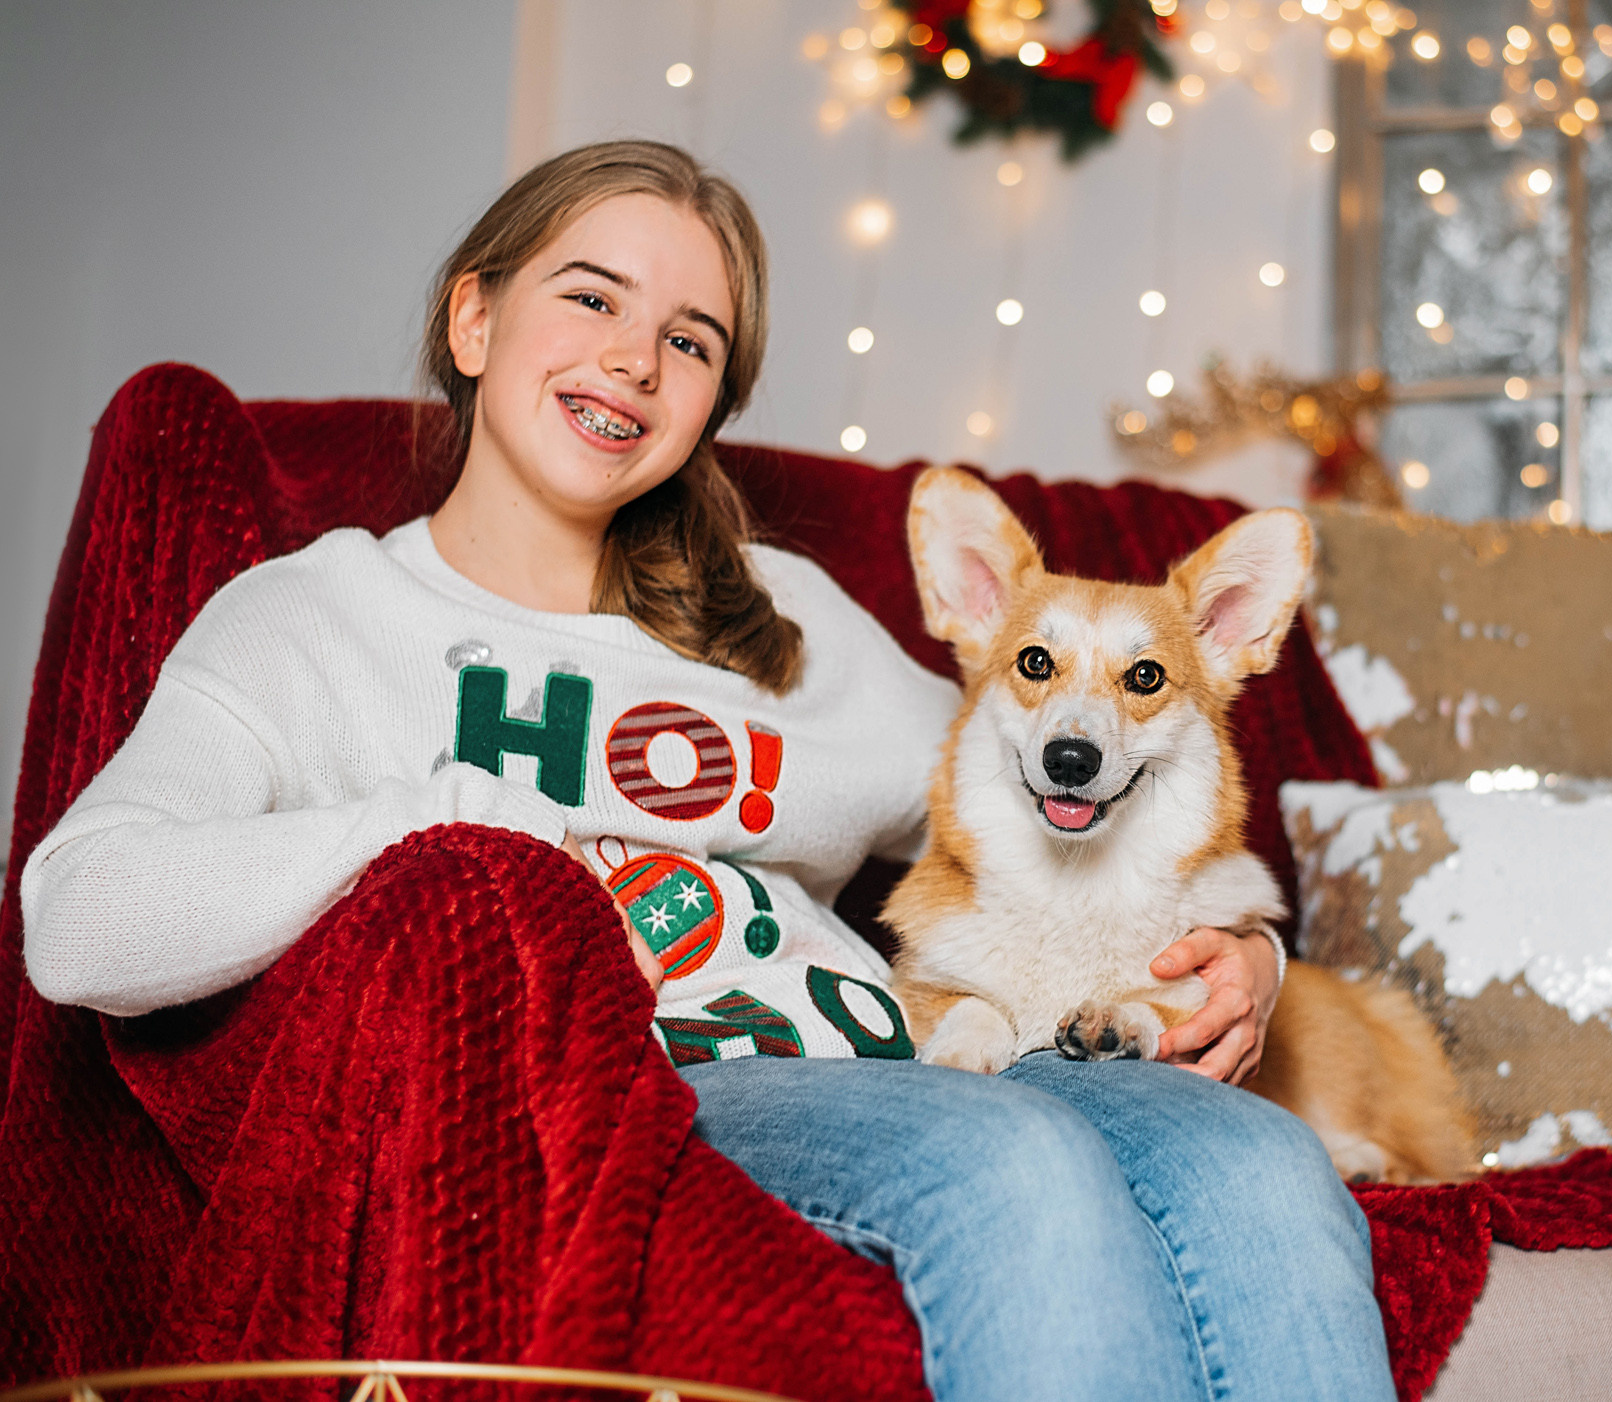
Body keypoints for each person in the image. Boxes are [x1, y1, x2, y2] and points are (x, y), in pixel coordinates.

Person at [21, 140, 1394, 1402]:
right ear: (474, 317)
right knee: (1016, 1169)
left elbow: (1069, 771)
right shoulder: (318, 623)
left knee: (1262, 1165)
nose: (634, 360)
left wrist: (1249, 953)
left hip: (916, 1044)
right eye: (593, 299)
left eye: (689, 339)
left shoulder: (776, 619)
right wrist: (442, 811)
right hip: (671, 1085)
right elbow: (77, 915)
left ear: (707, 405)